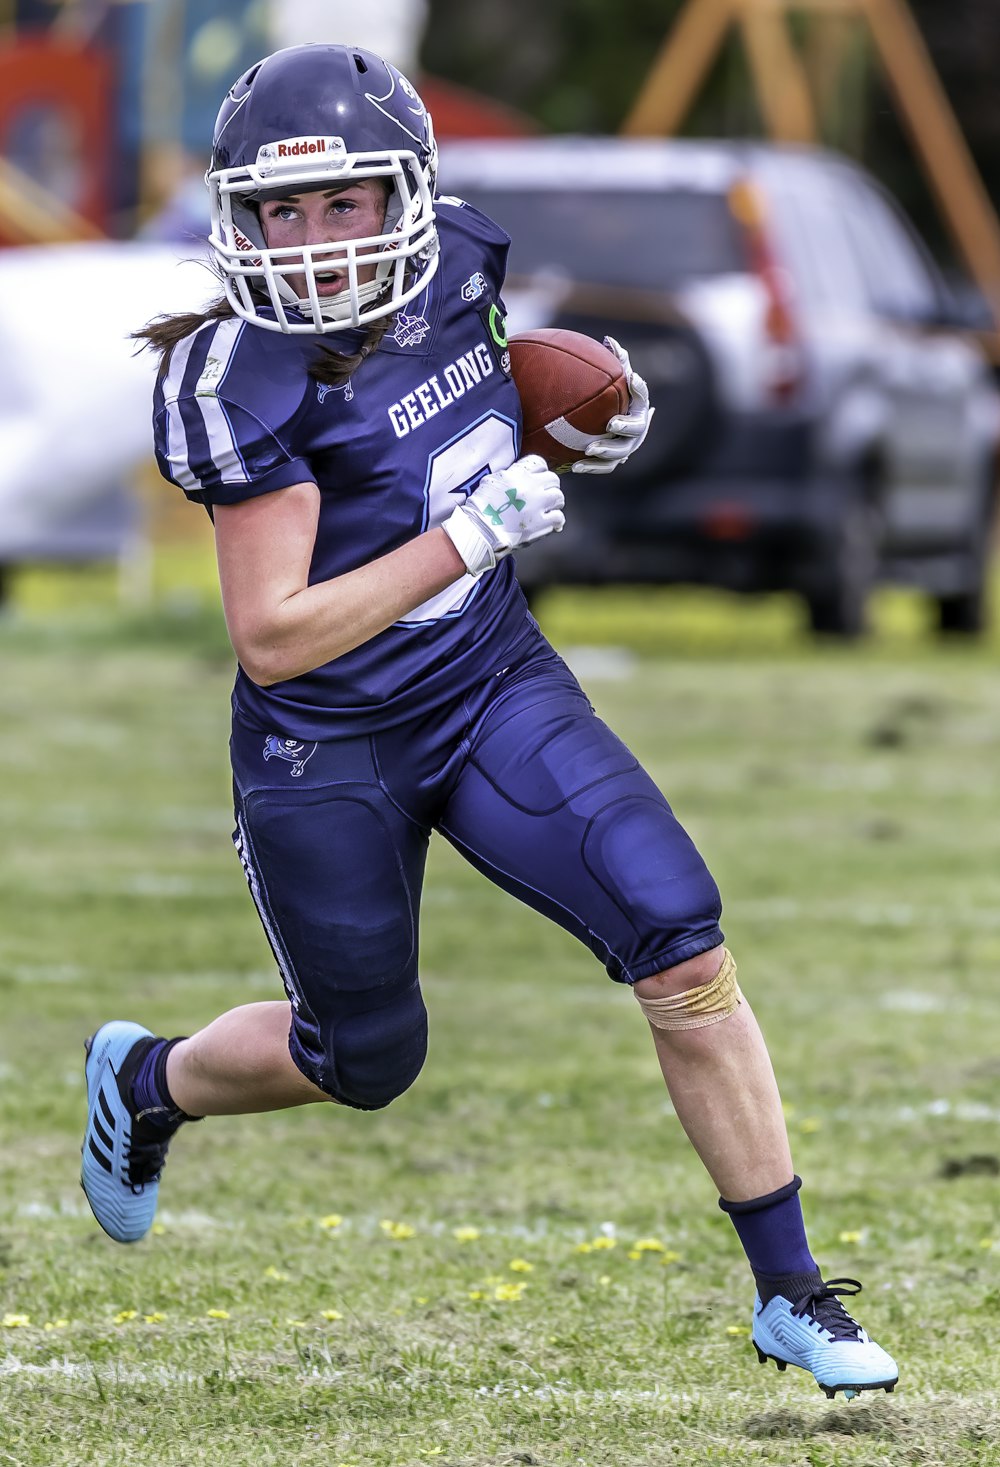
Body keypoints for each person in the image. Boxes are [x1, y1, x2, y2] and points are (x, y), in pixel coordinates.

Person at [81, 43, 897, 1401]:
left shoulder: (461, 258)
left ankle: (793, 1291)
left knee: (679, 941)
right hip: (327, 744)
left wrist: (590, 414)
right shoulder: (244, 378)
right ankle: (150, 1082)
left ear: (406, 195)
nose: (310, 241)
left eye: (341, 202)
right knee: (365, 1061)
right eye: (279, 212)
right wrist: (470, 532)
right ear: (237, 218)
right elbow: (274, 637)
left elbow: (479, 388)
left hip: (487, 681)